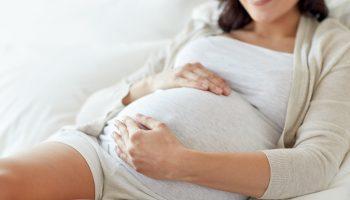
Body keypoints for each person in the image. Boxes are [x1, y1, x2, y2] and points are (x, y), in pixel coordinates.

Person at [1, 0, 350, 199]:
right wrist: (153, 82)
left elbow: (316, 163)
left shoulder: (333, 45)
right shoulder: (207, 23)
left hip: (179, 189)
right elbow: (92, 108)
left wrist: (179, 163)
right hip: (100, 152)